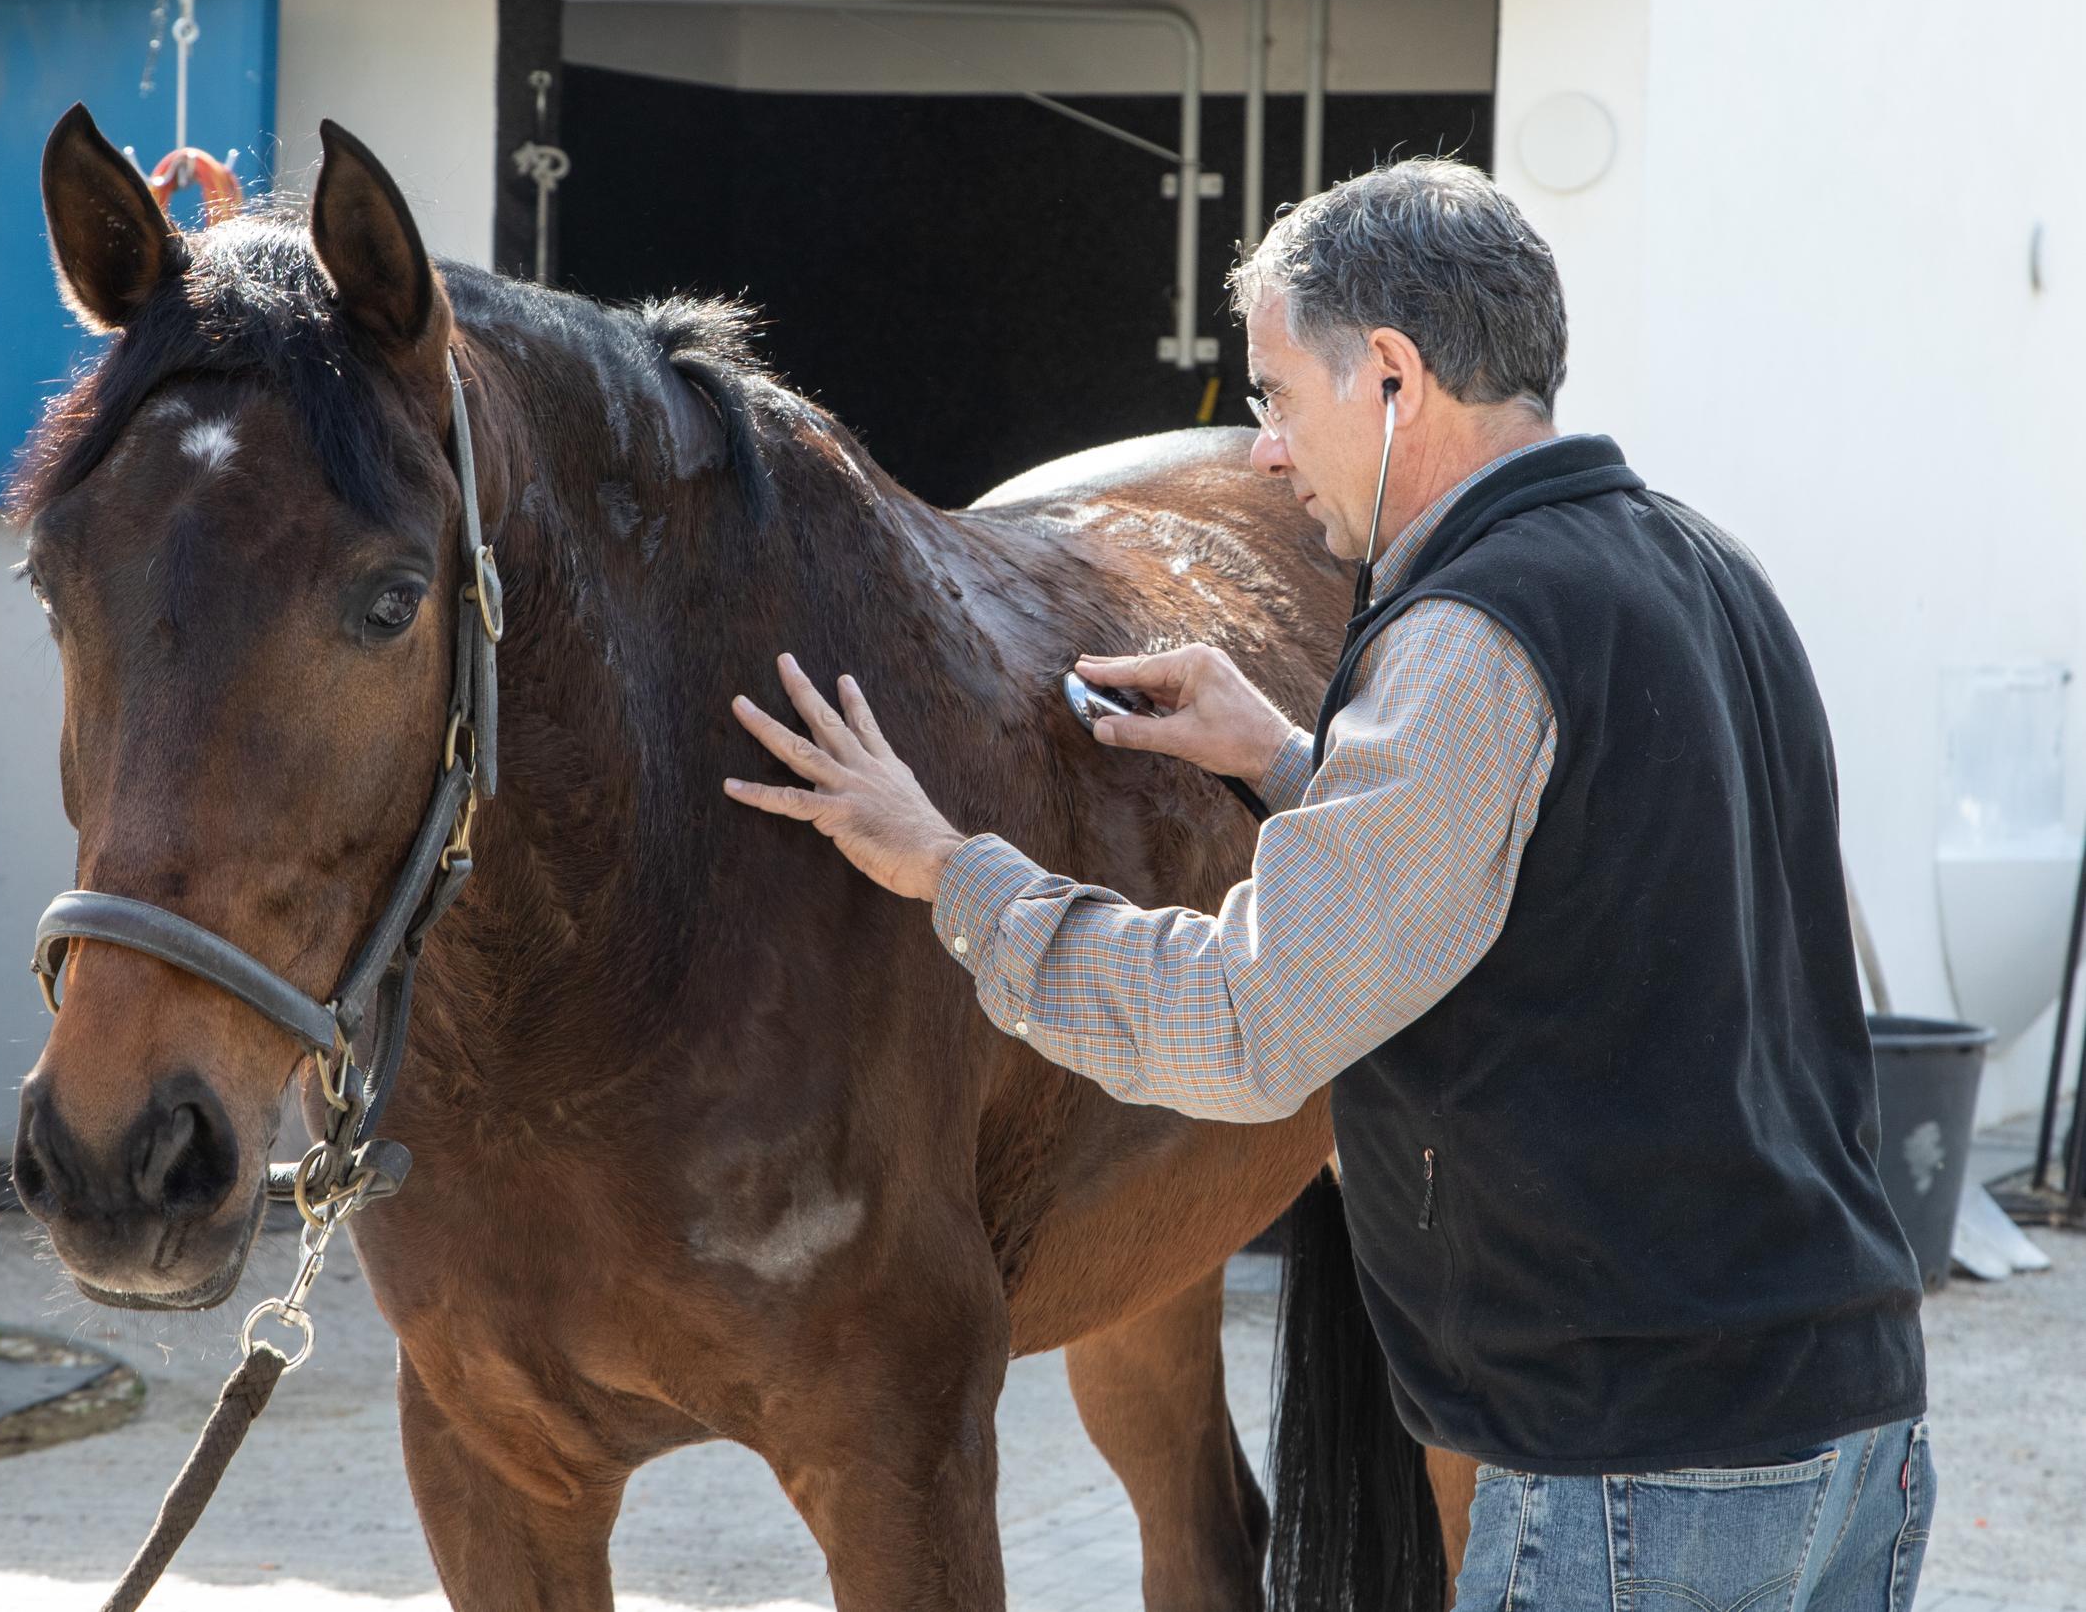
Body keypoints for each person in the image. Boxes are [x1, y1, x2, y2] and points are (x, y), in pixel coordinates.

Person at [722, 157, 1932, 1608]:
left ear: (1397, 381)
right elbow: (1565, 873)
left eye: (1280, 397)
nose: (1262, 457)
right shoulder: (1704, 565)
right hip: (1852, 1425)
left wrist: (951, 870)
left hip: (1639, 1473)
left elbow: (1251, 1028)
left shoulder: (1472, 640)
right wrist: (1291, 761)